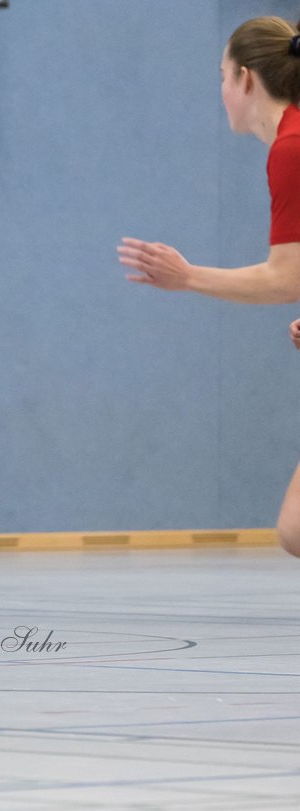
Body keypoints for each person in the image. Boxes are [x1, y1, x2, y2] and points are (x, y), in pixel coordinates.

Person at [118, 16, 300, 555]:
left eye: (220, 76)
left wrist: (187, 276)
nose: (220, 91)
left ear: (245, 79)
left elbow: (286, 277)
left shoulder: (291, 150)